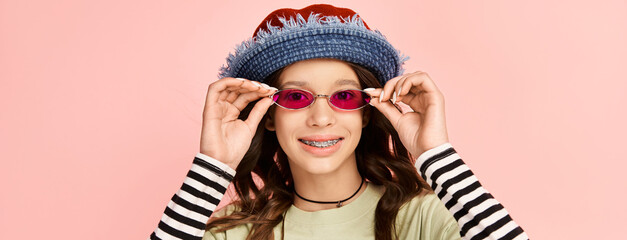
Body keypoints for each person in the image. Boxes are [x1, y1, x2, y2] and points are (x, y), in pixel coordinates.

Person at [150, 4, 528, 240]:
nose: (320, 118)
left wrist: (436, 154)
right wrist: (213, 165)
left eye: (344, 96)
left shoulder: (426, 218)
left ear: (366, 112)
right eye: (296, 97)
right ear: (268, 116)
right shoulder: (235, 231)